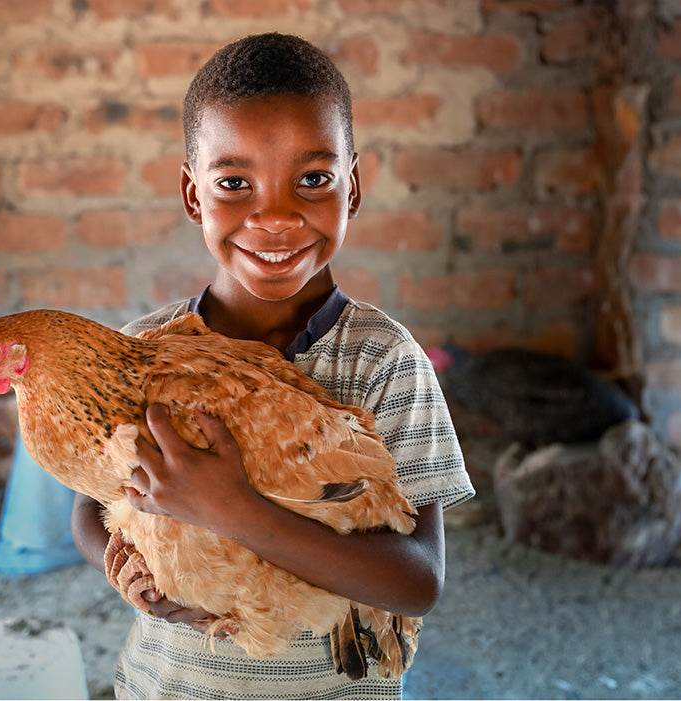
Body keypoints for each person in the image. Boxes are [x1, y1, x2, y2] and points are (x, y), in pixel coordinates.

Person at [71, 32, 475, 699]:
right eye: (235, 182)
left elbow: (417, 580)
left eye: (312, 179)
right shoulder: (141, 351)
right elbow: (90, 509)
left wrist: (233, 508)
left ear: (352, 188)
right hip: (172, 685)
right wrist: (131, 570)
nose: (276, 215)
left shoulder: (383, 361)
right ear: (193, 194)